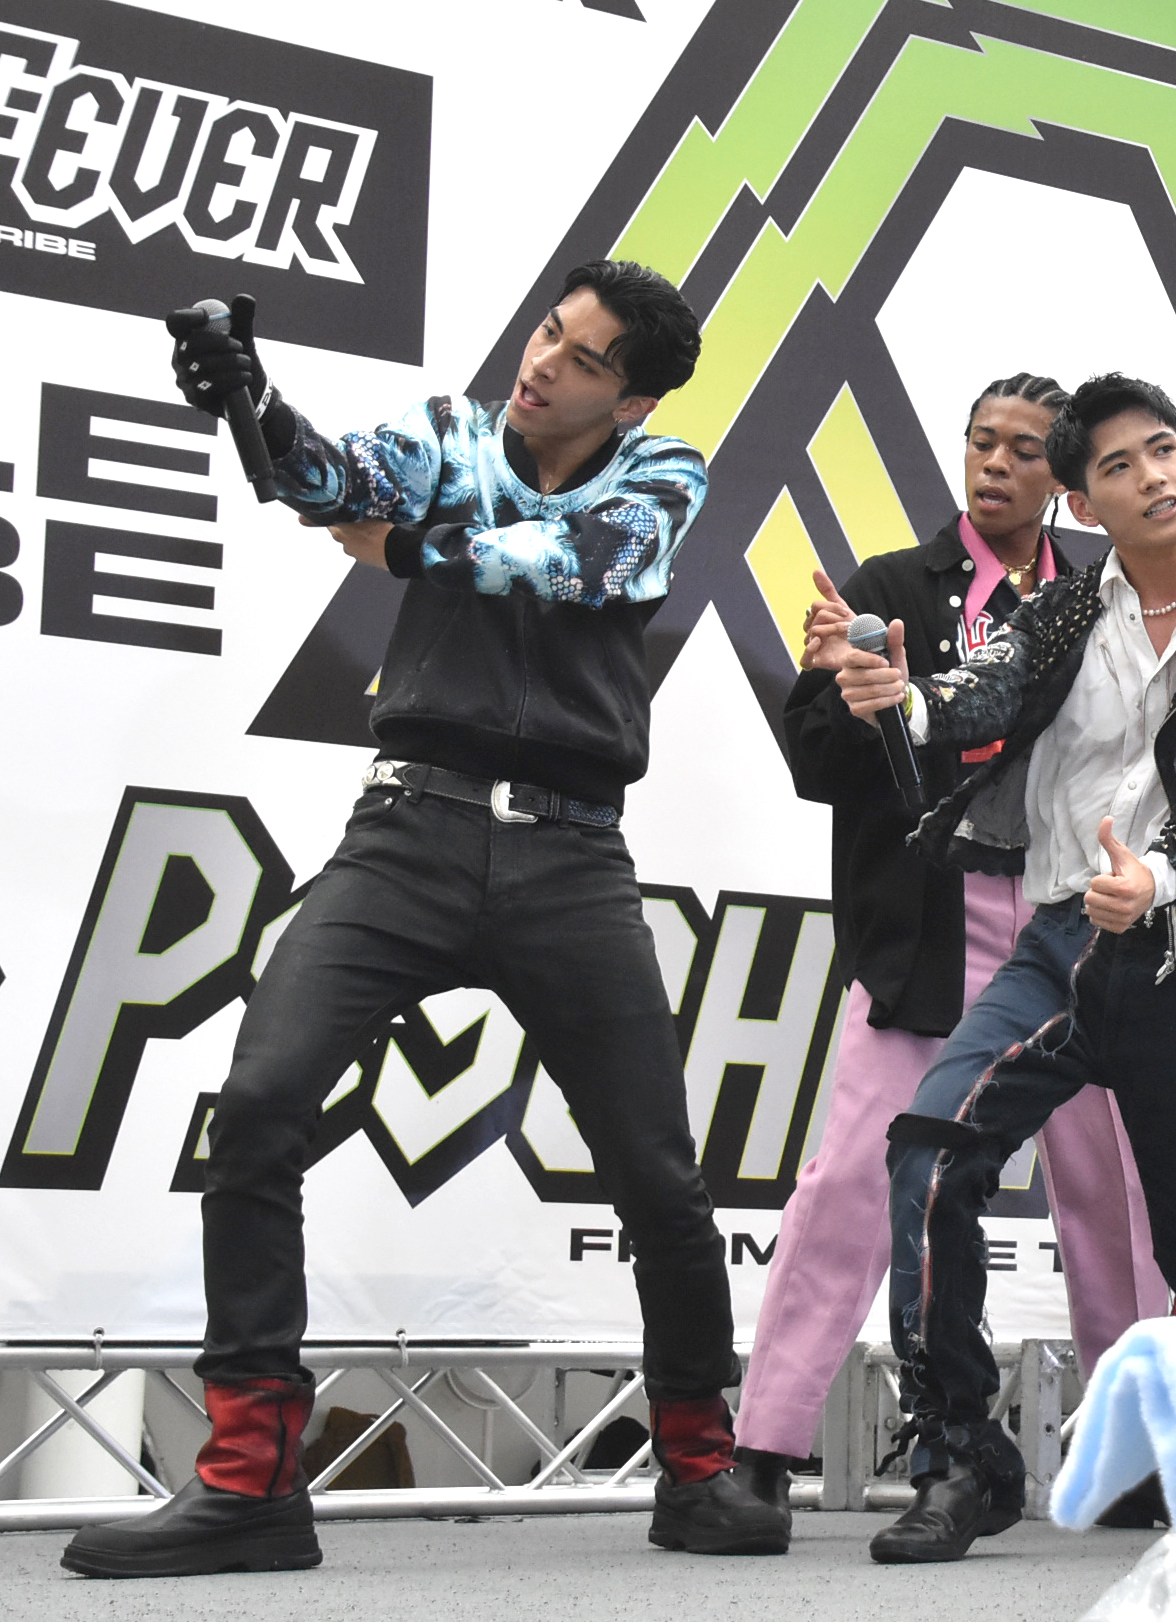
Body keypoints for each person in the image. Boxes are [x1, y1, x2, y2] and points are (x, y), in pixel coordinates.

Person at [64, 264, 760, 1578]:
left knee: (658, 1178)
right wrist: (253, 404)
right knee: (259, 1106)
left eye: (585, 357)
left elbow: (580, 565)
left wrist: (406, 548)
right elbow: (331, 481)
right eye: (549, 331)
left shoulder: (663, 475)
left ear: (633, 398)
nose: (543, 361)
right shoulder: (448, 433)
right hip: (406, 831)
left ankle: (698, 1469)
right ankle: (250, 1480)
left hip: (572, 852)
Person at [805, 372, 1176, 1563]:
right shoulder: (1058, 609)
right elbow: (975, 693)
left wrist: (1161, 872)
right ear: (1083, 503)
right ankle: (960, 1459)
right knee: (931, 1149)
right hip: (1056, 950)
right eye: (1117, 466)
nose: (1152, 475)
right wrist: (898, 698)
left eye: (1164, 449)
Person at [738, 376, 1169, 1543]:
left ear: (1063, 479)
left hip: (1076, 923)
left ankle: (1132, 1455)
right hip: (935, 925)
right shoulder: (889, 587)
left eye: (1024, 450)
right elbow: (819, 765)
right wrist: (842, 686)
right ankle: (763, 1450)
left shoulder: (1108, 594)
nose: (994, 464)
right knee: (851, 1179)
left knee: (1115, 1191)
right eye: (981, 441)